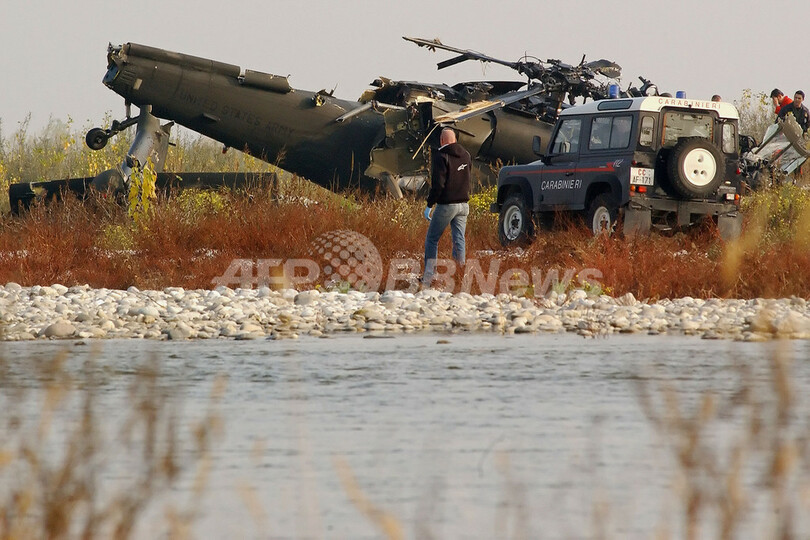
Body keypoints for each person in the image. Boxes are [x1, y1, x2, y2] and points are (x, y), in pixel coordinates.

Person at [422, 128, 472, 287]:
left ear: (442, 141)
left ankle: (428, 277)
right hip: (464, 205)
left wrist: (429, 204)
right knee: (459, 240)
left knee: (432, 239)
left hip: (447, 205)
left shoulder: (441, 156)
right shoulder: (466, 155)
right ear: (455, 140)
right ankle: (460, 275)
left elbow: (438, 185)